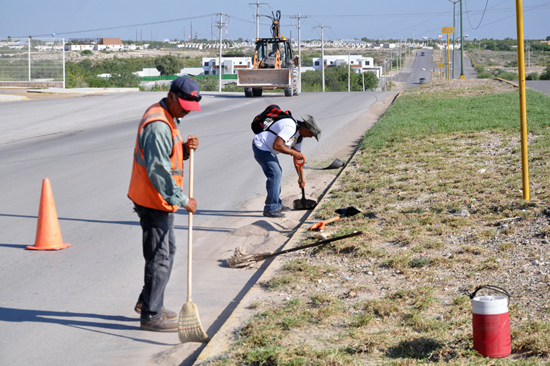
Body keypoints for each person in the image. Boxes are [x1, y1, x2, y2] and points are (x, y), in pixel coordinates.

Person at [127, 76, 201, 332]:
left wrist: (186, 149)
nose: (185, 111)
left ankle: (149, 301)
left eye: (189, 108)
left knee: (167, 253)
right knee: (160, 258)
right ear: (171, 96)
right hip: (153, 199)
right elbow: (159, 170)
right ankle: (150, 315)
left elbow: (168, 156)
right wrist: (183, 200)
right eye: (183, 105)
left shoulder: (168, 117)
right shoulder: (159, 125)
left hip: (159, 198)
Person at [252, 112, 321, 218]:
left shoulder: (299, 136)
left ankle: (277, 204)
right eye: (311, 135)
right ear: (308, 130)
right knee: (275, 174)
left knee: (277, 173)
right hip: (261, 146)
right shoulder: (290, 127)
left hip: (268, 149)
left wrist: (301, 178)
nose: (310, 137)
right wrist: (294, 152)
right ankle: (270, 208)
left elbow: (297, 158)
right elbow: (277, 146)